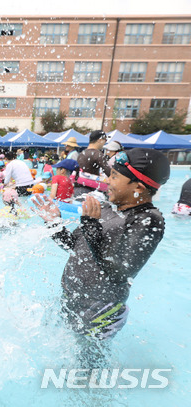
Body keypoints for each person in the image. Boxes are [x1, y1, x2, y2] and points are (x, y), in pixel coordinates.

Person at [33, 148, 170, 340]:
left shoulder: (148, 219)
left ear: (138, 188)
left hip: (101, 309)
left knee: (85, 366)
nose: (106, 181)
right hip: (72, 298)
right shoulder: (106, 208)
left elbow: (121, 270)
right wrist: (53, 224)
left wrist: (91, 227)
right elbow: (75, 246)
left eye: (114, 177)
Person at [74, 130, 111, 197]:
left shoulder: (82, 153)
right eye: (105, 140)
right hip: (91, 189)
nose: (105, 142)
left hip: (77, 187)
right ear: (99, 140)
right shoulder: (97, 154)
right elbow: (108, 171)